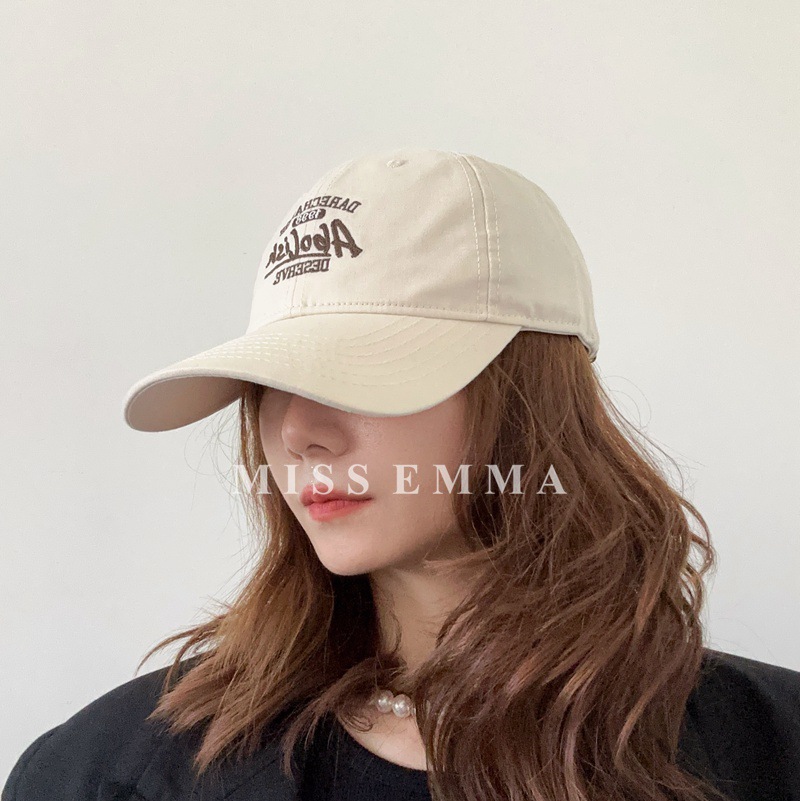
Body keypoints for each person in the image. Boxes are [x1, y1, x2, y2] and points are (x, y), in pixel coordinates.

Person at [5, 147, 800, 801]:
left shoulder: (772, 749)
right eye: (271, 382)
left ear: (529, 395)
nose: (298, 432)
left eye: (361, 372)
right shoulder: (104, 772)